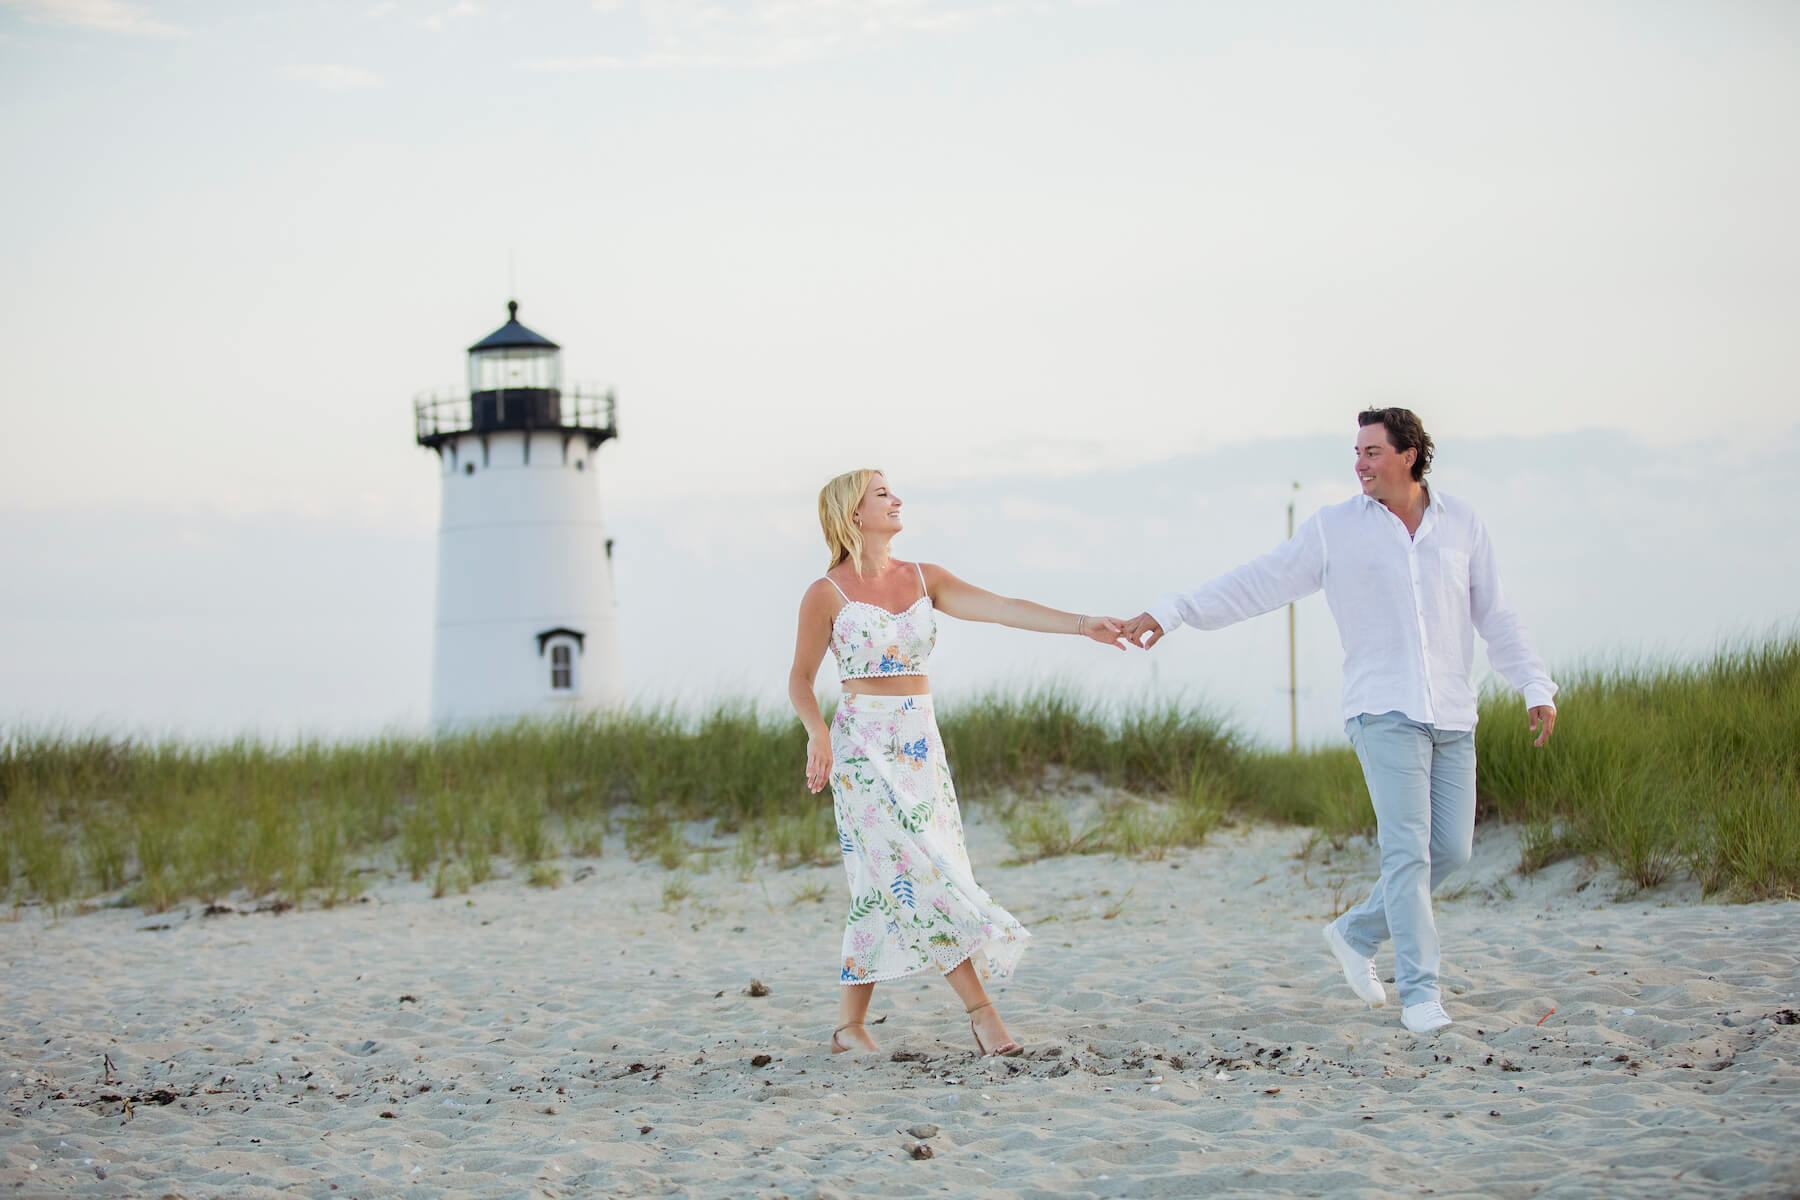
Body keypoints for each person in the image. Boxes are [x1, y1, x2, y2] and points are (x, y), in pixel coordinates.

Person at [1122, 408, 1558, 1035]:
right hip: (1381, 710)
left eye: (1372, 452)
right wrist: (1173, 611)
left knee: (1451, 851)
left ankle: (1354, 932)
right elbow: (1259, 582)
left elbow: (1497, 615)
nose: (1359, 463)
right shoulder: (1334, 530)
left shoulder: (1462, 522)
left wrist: (1533, 685)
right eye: (1356, 452)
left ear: (1410, 455)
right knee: (1406, 852)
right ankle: (1421, 995)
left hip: (1453, 712)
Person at [789, 468, 1129, 1056]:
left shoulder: (925, 578)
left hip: (920, 748)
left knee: (885, 881)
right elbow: (799, 678)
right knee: (917, 874)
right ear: (853, 513)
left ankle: (849, 1028)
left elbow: (1001, 608)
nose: (897, 500)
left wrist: (1082, 624)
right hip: (861, 749)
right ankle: (982, 1013)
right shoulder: (827, 593)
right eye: (882, 494)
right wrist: (816, 732)